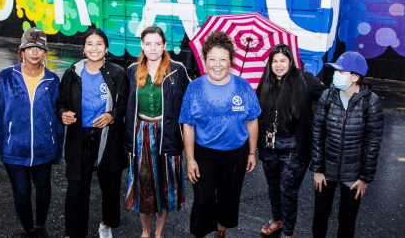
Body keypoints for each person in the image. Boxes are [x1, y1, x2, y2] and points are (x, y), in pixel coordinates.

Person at [179, 31, 261, 238]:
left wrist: (252, 153)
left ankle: (221, 231)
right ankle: (200, 233)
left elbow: (252, 120)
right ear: (204, 60)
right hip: (204, 153)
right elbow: (188, 125)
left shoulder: (243, 86)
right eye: (212, 59)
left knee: (229, 196)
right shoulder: (194, 88)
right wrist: (190, 159)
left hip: (236, 153)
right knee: (202, 199)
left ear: (231, 61)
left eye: (223, 59)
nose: (217, 64)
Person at [0, 27, 64, 238]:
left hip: (44, 149)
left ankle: (40, 226)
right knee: (21, 193)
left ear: (45, 52)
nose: (35, 52)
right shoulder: (5, 78)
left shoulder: (53, 80)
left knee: (44, 189)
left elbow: (57, 117)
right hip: (14, 150)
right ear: (21, 50)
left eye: (39, 48)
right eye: (30, 47)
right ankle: (28, 229)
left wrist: (58, 149)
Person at [57, 28, 128, 238]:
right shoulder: (72, 73)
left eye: (99, 44)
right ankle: (75, 233)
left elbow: (125, 103)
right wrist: (62, 114)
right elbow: (60, 103)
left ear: (106, 49)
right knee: (76, 190)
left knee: (111, 189)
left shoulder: (117, 73)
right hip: (80, 138)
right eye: (90, 44)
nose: (94, 48)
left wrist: (112, 115)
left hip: (109, 137)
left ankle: (106, 224)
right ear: (83, 48)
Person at [124, 26, 190, 238]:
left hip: (168, 134)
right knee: (144, 187)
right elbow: (123, 103)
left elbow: (191, 101)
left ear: (164, 45)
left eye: (158, 43)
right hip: (140, 134)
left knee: (165, 186)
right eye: (148, 43)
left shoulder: (177, 70)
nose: (153, 48)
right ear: (142, 45)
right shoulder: (132, 70)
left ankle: (159, 233)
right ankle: (145, 231)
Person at [256, 44, 328, 238]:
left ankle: (288, 232)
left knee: (288, 192)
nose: (278, 65)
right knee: (273, 187)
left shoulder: (305, 80)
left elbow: (329, 100)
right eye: (274, 61)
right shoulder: (266, 81)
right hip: (269, 147)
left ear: (290, 61)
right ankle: (277, 220)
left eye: (283, 61)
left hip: (294, 150)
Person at [310, 51, 384, 238]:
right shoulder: (327, 97)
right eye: (336, 71)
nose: (336, 75)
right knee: (320, 216)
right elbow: (317, 133)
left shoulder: (371, 102)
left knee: (347, 219)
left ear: (355, 77)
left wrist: (365, 178)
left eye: (341, 72)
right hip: (326, 170)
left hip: (354, 174)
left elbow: (372, 142)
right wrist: (318, 170)